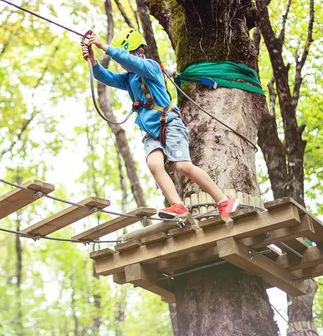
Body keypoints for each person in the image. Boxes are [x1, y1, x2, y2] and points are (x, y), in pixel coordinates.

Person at [81, 28, 239, 219]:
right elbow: (106, 77)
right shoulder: (130, 77)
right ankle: (178, 206)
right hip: (152, 131)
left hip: (170, 123)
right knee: (154, 164)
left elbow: (128, 61)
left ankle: (223, 199)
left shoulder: (150, 67)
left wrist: (103, 46)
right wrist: (93, 61)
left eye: (126, 56)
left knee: (183, 166)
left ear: (138, 52)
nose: (122, 64)